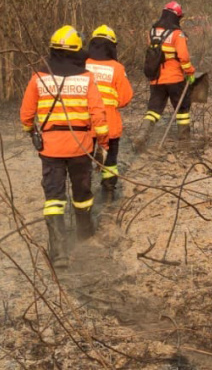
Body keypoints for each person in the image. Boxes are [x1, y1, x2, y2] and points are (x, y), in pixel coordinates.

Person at [20, 25, 109, 268]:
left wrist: (30, 130)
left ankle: (58, 251)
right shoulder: (86, 78)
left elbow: (26, 114)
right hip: (81, 148)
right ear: (75, 51)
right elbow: (98, 114)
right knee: (82, 195)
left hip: (50, 149)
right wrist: (103, 143)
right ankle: (85, 235)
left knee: (54, 198)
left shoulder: (39, 78)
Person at [135, 1, 196, 151]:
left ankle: (142, 137)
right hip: (175, 78)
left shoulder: (152, 32)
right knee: (182, 110)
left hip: (156, 79)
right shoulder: (177, 34)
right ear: (176, 17)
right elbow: (183, 56)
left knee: (153, 110)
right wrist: (190, 72)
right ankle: (184, 145)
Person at [85, 25, 133, 204]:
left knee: (84, 163)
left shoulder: (82, 64)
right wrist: (112, 104)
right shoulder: (117, 68)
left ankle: (85, 194)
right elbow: (126, 97)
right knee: (110, 162)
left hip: (85, 125)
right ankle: (108, 194)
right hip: (110, 123)